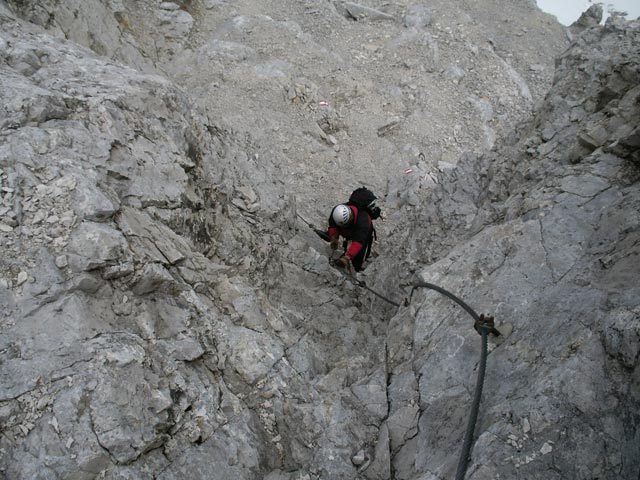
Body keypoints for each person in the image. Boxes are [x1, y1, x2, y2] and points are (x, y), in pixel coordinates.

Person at [327, 187, 380, 272]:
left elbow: (358, 242)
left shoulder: (363, 222)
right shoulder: (335, 213)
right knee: (334, 233)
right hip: (351, 226)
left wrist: (348, 257)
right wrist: (334, 238)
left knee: (358, 256)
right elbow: (333, 226)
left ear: (351, 217)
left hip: (361, 230)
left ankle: (356, 267)